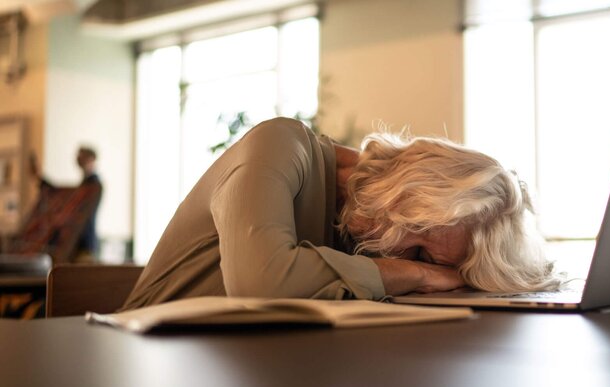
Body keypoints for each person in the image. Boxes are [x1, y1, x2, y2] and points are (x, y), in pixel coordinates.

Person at [121, 117, 559, 310]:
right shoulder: (278, 145)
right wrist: (422, 275)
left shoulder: (356, 228)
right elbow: (261, 284)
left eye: (423, 257)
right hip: (139, 362)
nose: (400, 251)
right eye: (419, 228)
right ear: (411, 183)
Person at [29, 146, 102, 260]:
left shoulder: (94, 186)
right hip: (76, 245)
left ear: (91, 159)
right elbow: (62, 195)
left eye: (82, 157)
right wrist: (39, 177)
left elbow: (66, 198)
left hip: (84, 243)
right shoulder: (85, 185)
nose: (78, 160)